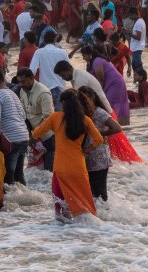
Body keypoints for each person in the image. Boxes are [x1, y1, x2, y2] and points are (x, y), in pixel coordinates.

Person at [31, 89, 103, 220]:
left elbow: (36, 133)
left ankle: (65, 232)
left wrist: (46, 123)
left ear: (63, 103)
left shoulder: (55, 117)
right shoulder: (85, 120)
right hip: (79, 168)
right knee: (84, 204)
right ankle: (89, 232)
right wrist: (88, 149)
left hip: (61, 168)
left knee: (60, 206)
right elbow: (99, 139)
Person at [0, 67, 30, 185]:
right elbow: (23, 116)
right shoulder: (12, 94)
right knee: (19, 176)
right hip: (24, 137)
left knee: (8, 177)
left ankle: (11, 202)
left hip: (11, 140)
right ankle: (28, 201)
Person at [77, 86, 122, 202]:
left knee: (100, 193)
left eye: (84, 100)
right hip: (88, 157)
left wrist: (101, 132)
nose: (83, 103)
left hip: (99, 158)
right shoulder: (84, 114)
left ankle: (106, 216)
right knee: (93, 192)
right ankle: (101, 215)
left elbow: (117, 128)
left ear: (92, 98)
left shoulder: (99, 112)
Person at [15, 68, 55, 171]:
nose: (21, 84)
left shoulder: (43, 93)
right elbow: (24, 115)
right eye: (19, 82)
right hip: (34, 136)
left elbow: (49, 119)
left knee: (49, 170)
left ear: (32, 78)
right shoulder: (22, 90)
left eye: (23, 81)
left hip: (47, 136)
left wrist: (34, 134)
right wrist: (29, 134)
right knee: (36, 169)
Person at [127, 7, 146, 71]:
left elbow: (138, 37)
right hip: (137, 47)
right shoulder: (140, 21)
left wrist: (130, 34)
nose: (129, 17)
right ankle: (138, 80)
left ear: (134, 14)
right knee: (135, 66)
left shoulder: (138, 23)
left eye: (130, 15)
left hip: (137, 48)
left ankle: (142, 80)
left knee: (138, 67)